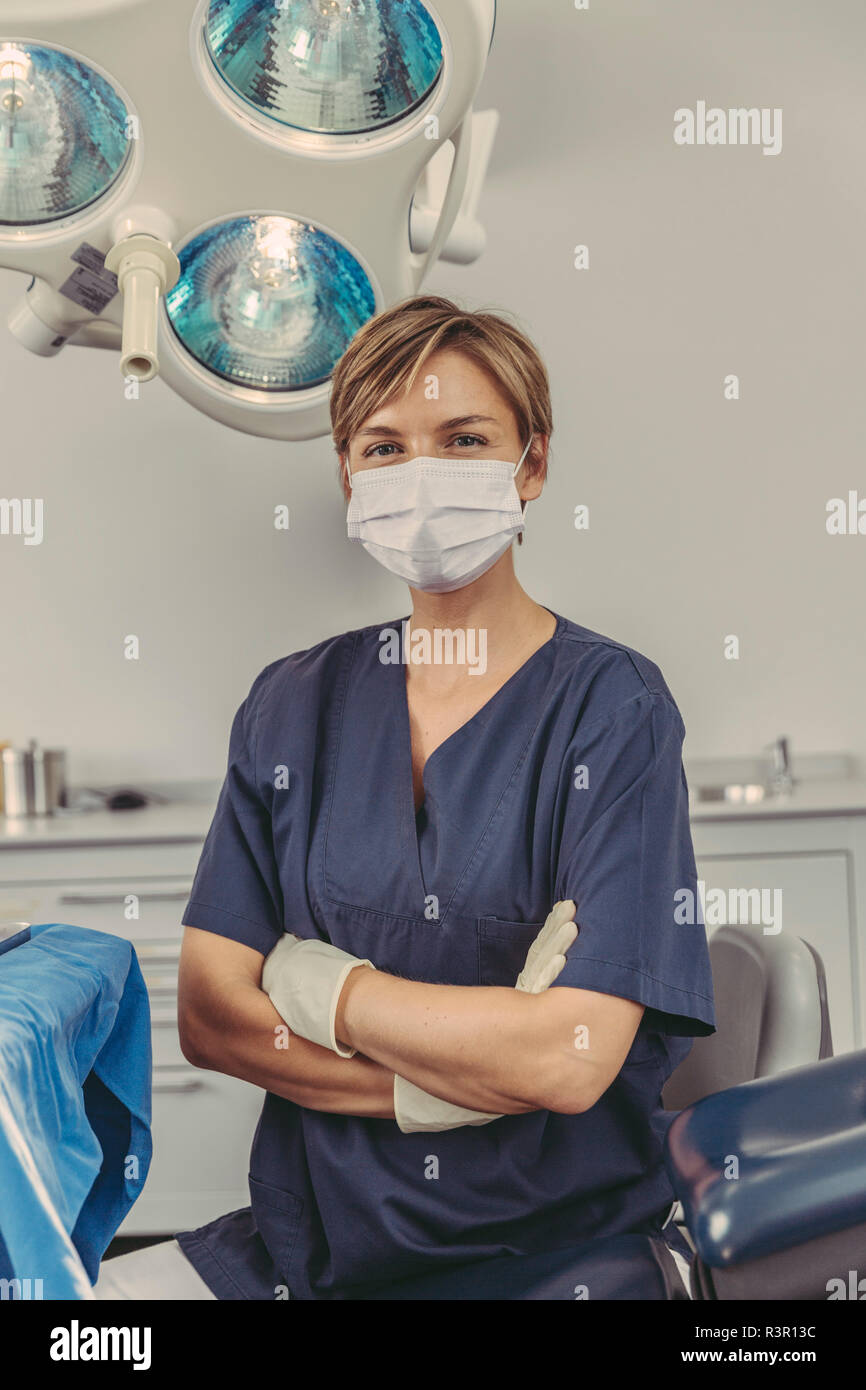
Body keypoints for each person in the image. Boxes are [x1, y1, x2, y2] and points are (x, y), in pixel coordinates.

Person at [95, 295, 715, 1301]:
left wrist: (313, 986)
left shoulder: (611, 707)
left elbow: (562, 1063)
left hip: (546, 1249)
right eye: (383, 447)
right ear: (346, 475)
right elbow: (212, 1016)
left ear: (530, 464)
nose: (418, 474)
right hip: (303, 1246)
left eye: (462, 439)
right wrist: (447, 1091)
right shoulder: (293, 702)